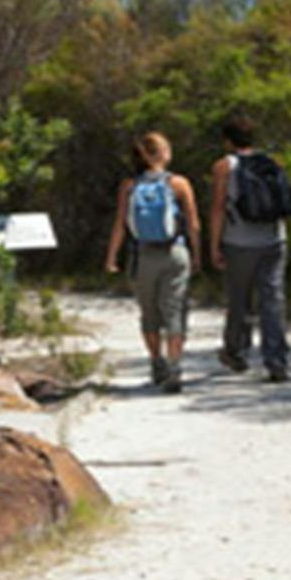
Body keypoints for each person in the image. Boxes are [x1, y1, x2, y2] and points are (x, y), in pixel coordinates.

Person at [104, 131, 201, 393]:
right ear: (159, 154)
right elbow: (192, 224)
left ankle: (156, 361)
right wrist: (197, 255)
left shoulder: (130, 186)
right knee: (174, 311)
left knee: (149, 313)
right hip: (175, 253)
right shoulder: (179, 184)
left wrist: (112, 257)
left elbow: (120, 224)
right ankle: (175, 367)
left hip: (143, 256)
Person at [209, 111, 291, 382]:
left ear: (227, 141)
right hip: (274, 239)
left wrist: (214, 245)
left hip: (239, 242)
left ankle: (236, 352)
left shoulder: (225, 166)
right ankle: (276, 361)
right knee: (273, 300)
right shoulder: (272, 162)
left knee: (239, 300)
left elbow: (218, 209)